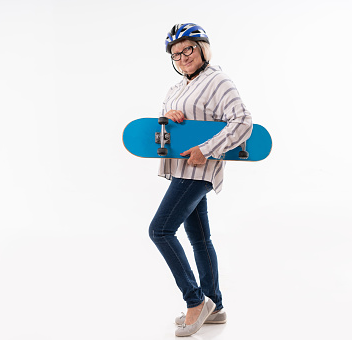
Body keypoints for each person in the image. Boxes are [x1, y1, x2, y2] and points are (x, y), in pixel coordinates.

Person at [148, 23, 253, 337]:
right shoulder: (177, 87)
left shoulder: (218, 81)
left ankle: (195, 300)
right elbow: (164, 121)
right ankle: (215, 307)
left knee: (160, 230)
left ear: (202, 48)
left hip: (198, 171)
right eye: (176, 54)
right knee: (199, 239)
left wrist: (207, 150)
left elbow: (243, 121)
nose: (182, 58)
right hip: (180, 169)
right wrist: (173, 113)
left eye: (188, 49)